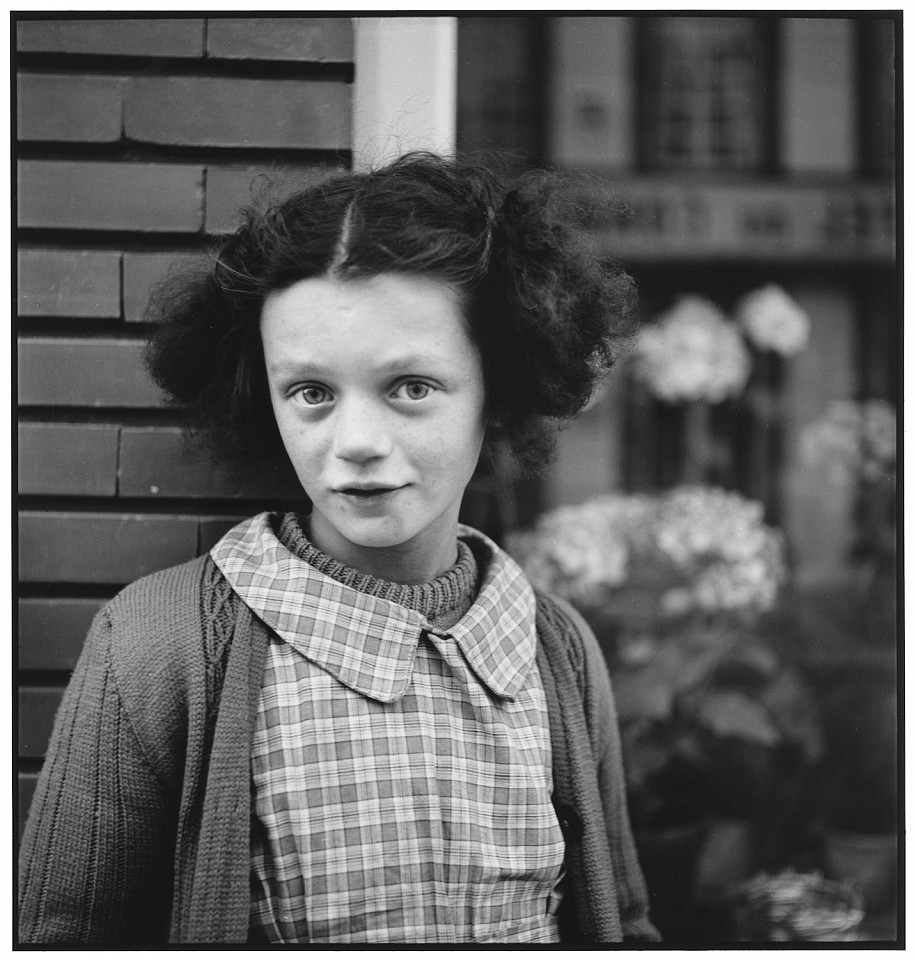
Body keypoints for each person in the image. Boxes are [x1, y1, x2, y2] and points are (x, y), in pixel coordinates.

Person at [18, 152, 659, 945]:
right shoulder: (158, 644)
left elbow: (623, 925)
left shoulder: (556, 648)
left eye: (410, 388)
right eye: (312, 393)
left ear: (499, 388)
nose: (355, 443)